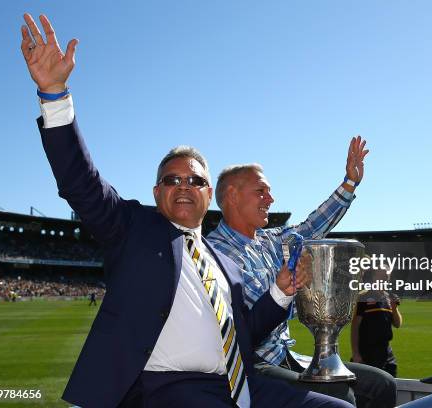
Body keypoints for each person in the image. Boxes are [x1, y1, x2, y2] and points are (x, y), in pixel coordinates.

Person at [20, 13, 351, 408]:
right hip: (169, 390)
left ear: (209, 194)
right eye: (172, 180)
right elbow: (81, 182)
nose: (183, 186)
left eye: (194, 180)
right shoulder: (133, 229)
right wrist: (55, 95)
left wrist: (280, 291)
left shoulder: (222, 264)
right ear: (157, 192)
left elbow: (244, 332)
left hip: (239, 386)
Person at [208, 141, 397, 408]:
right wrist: (312, 302)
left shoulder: (270, 240)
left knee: (382, 384)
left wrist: (349, 184)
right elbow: (252, 320)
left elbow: (312, 227)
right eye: (261, 191)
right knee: (340, 396)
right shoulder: (214, 253)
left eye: (269, 193)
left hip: (286, 356)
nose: (270, 200)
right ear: (232, 195)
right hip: (253, 365)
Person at [350, 267, 402, 378]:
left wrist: (394, 308)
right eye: (382, 275)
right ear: (373, 277)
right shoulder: (363, 297)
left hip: (387, 355)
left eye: (387, 275)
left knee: (391, 386)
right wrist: (356, 353)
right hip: (368, 353)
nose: (385, 277)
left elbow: (397, 324)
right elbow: (355, 327)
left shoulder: (389, 297)